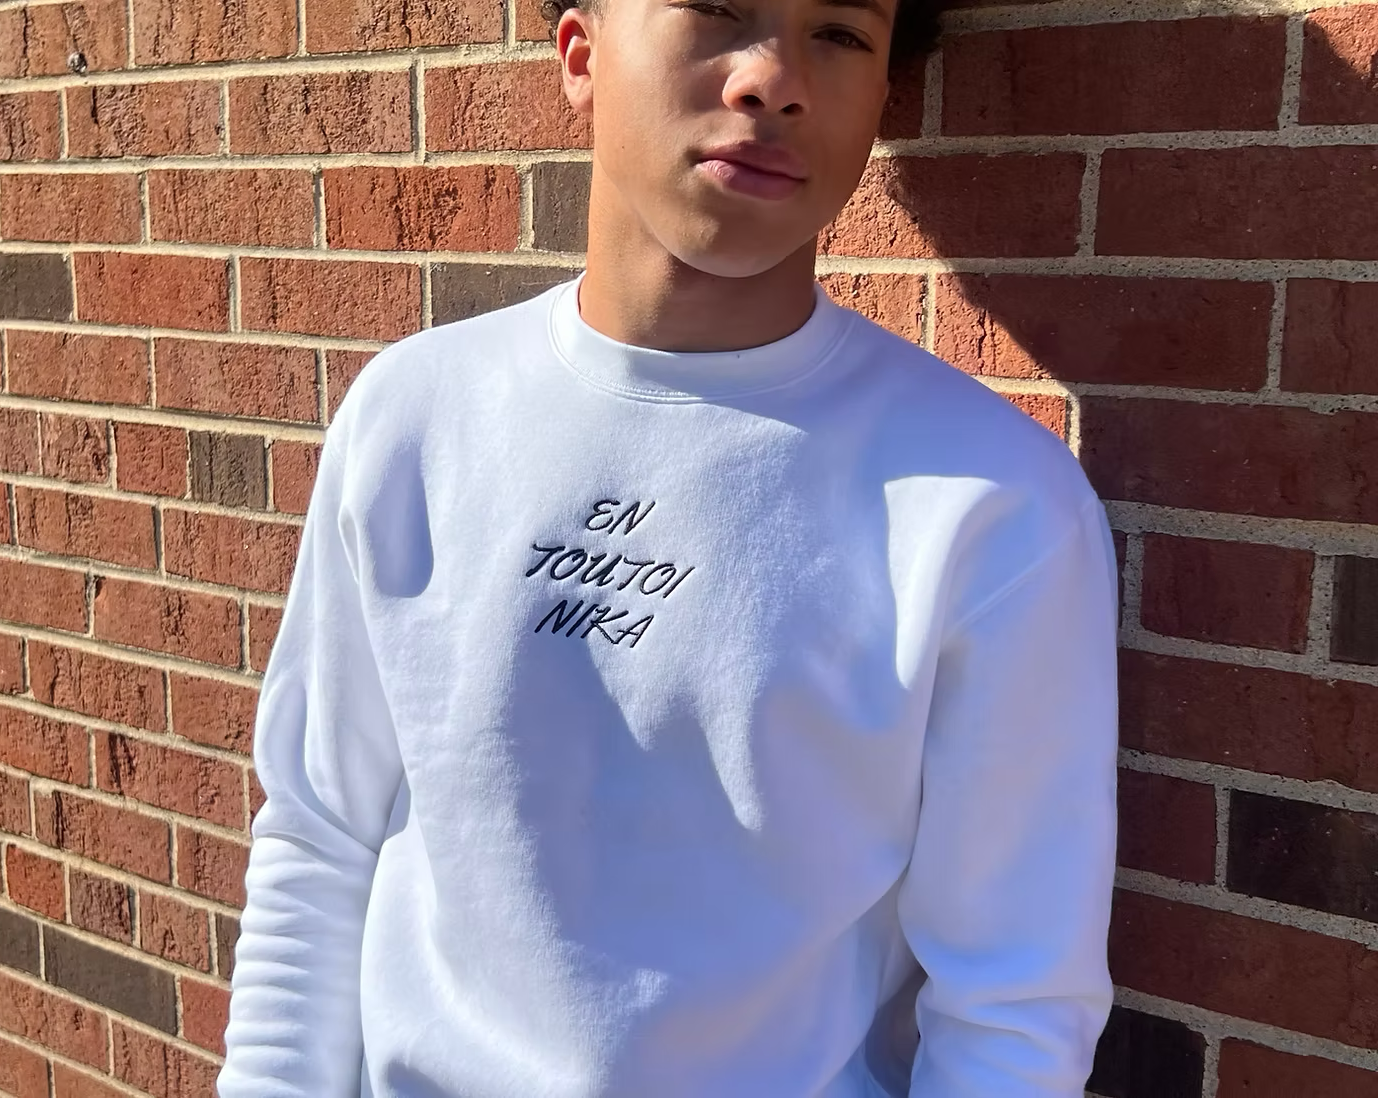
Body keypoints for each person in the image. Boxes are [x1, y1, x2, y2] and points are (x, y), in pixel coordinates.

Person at [217, 0, 1121, 1093]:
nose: (773, 79)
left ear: (883, 96)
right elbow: (319, 839)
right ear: (581, 55)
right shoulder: (414, 416)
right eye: (716, 9)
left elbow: (1012, 1004)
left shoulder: (992, 505)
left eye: (839, 34)